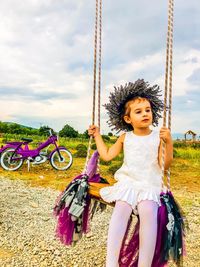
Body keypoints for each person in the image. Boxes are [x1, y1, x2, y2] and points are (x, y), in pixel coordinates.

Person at [88, 79, 173, 267]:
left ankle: (144, 264)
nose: (145, 114)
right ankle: (111, 262)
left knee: (148, 212)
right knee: (121, 209)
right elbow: (107, 155)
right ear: (128, 119)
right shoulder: (125, 137)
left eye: (148, 110)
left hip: (149, 183)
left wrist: (169, 143)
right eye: (139, 111)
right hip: (128, 183)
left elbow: (164, 166)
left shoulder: (157, 136)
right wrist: (97, 135)